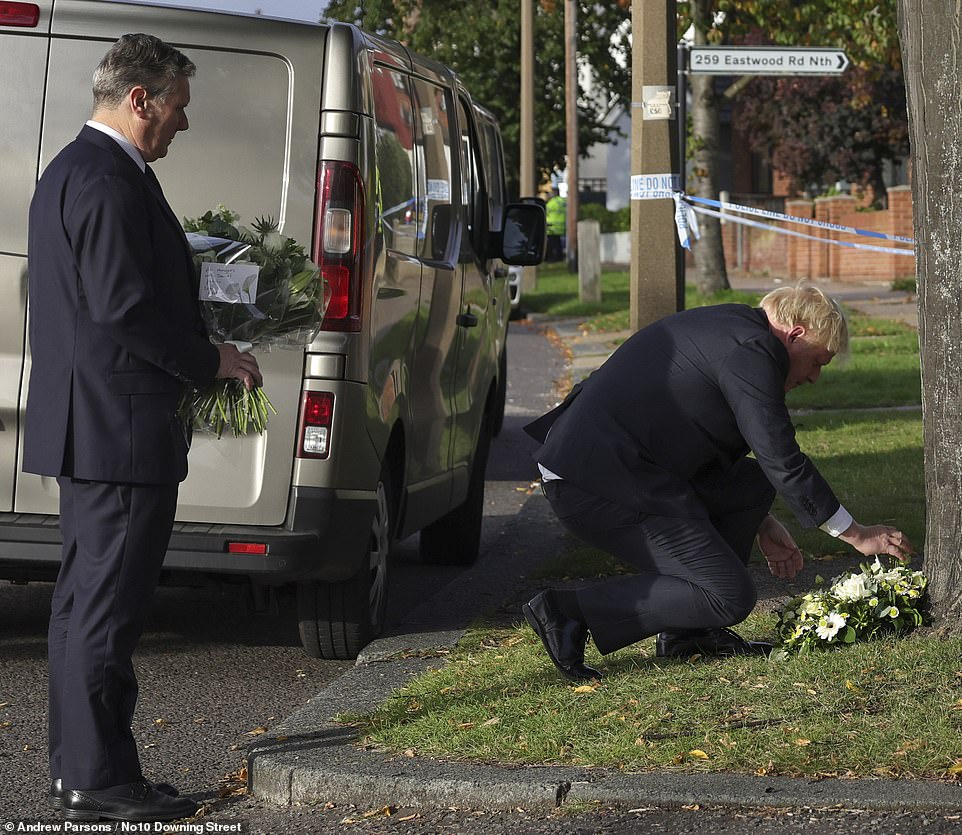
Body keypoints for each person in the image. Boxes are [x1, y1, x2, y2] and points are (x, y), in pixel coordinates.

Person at [24, 34, 262, 822]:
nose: (182, 125)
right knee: (105, 610)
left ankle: (84, 768)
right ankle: (96, 777)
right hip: (118, 430)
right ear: (141, 100)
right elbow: (125, 309)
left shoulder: (76, 169)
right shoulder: (105, 180)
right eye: (178, 108)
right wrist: (213, 360)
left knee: (81, 606)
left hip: (94, 424)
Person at [521, 284, 915, 682]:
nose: (813, 377)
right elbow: (780, 454)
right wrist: (856, 534)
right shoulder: (754, 351)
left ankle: (690, 633)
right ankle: (568, 613)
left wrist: (760, 519)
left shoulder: (734, 327)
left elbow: (703, 442)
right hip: (593, 484)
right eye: (817, 362)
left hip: (619, 468)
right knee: (730, 596)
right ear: (795, 334)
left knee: (752, 484)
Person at [545, 188, 567, 262]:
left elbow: (545, 211)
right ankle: (559, 257)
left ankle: (551, 258)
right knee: (558, 244)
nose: (549, 195)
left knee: (551, 244)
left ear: (554, 193)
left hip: (552, 226)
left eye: (551, 193)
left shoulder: (552, 202)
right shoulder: (562, 201)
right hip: (560, 226)